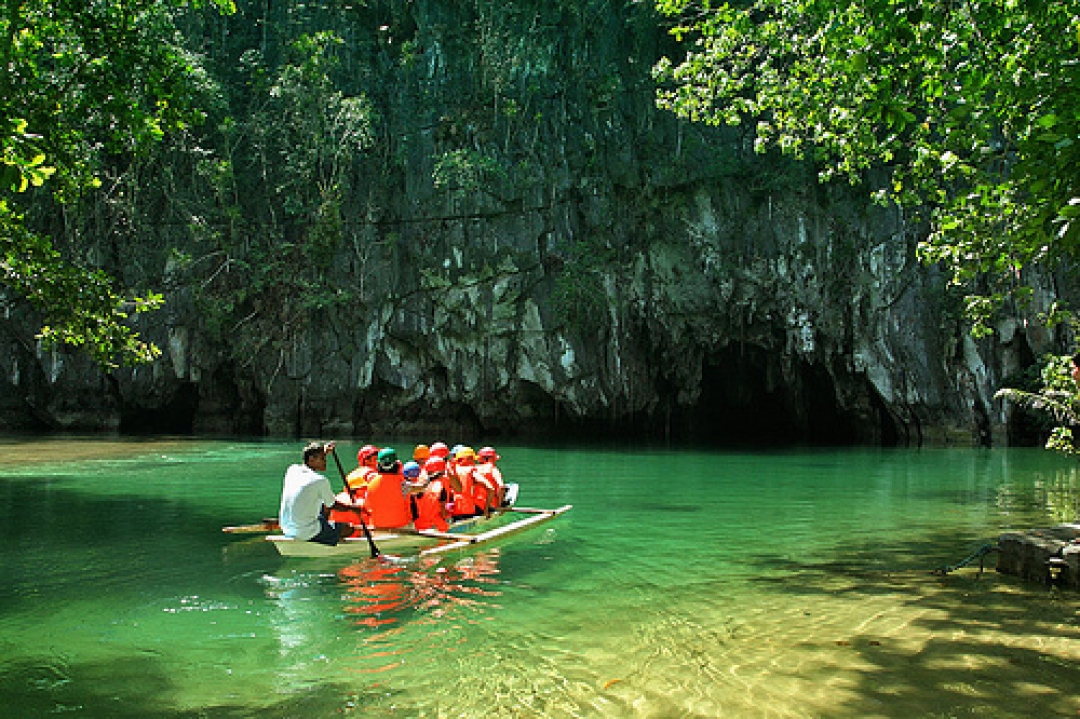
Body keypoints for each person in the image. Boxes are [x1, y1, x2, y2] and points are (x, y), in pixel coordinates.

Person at [279, 441, 361, 546]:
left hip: (286, 529)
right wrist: (353, 508)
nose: (325, 462)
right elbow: (333, 505)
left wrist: (324, 451)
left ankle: (324, 528)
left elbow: (310, 461)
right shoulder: (320, 480)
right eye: (322, 459)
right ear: (312, 460)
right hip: (306, 533)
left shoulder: (292, 470)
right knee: (349, 529)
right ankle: (325, 533)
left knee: (323, 502)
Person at [363, 448, 417, 529]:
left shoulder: (370, 483)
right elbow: (419, 489)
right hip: (402, 527)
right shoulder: (403, 484)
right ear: (396, 465)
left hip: (377, 528)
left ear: (378, 465)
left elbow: (366, 506)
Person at [414, 456, 452, 532]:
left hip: (419, 525)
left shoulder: (419, 484)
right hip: (436, 525)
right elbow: (443, 514)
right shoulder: (441, 487)